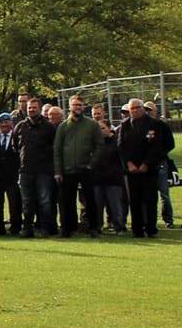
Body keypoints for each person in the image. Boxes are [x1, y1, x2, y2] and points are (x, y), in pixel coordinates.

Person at [116, 99, 172, 239]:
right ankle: (137, 229)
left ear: (143, 108)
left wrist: (147, 163)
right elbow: (121, 147)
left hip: (149, 169)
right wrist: (128, 163)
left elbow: (162, 145)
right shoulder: (125, 125)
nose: (134, 111)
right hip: (132, 170)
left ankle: (151, 228)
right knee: (134, 200)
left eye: (137, 108)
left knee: (150, 200)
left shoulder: (156, 124)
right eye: (132, 109)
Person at [54, 95, 100, 237]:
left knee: (90, 200)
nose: (78, 107)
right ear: (70, 106)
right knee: (67, 201)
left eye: (80, 105)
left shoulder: (92, 125)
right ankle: (68, 229)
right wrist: (58, 171)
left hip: (85, 168)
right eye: (75, 105)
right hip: (67, 169)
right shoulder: (63, 126)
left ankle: (93, 228)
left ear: (83, 107)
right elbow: (57, 149)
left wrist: (92, 164)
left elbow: (99, 145)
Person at [14, 99, 57, 237]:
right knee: (26, 202)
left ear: (39, 109)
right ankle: (27, 228)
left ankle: (45, 228)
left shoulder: (49, 127)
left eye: (34, 107)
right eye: (29, 108)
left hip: (43, 170)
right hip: (25, 170)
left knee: (44, 200)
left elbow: (54, 147)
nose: (31, 110)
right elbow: (15, 146)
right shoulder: (20, 126)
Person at [89, 104, 127, 234]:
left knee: (115, 206)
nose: (101, 131)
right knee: (97, 206)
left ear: (109, 128)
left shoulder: (117, 142)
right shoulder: (93, 144)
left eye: (103, 128)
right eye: (98, 129)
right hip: (97, 179)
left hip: (113, 179)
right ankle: (97, 227)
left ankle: (119, 227)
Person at [0, 111, 23, 235]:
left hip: (13, 176)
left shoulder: (16, 137)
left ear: (12, 123)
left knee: (15, 203)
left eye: (6, 122)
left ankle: (15, 227)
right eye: (1, 123)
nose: (4, 125)